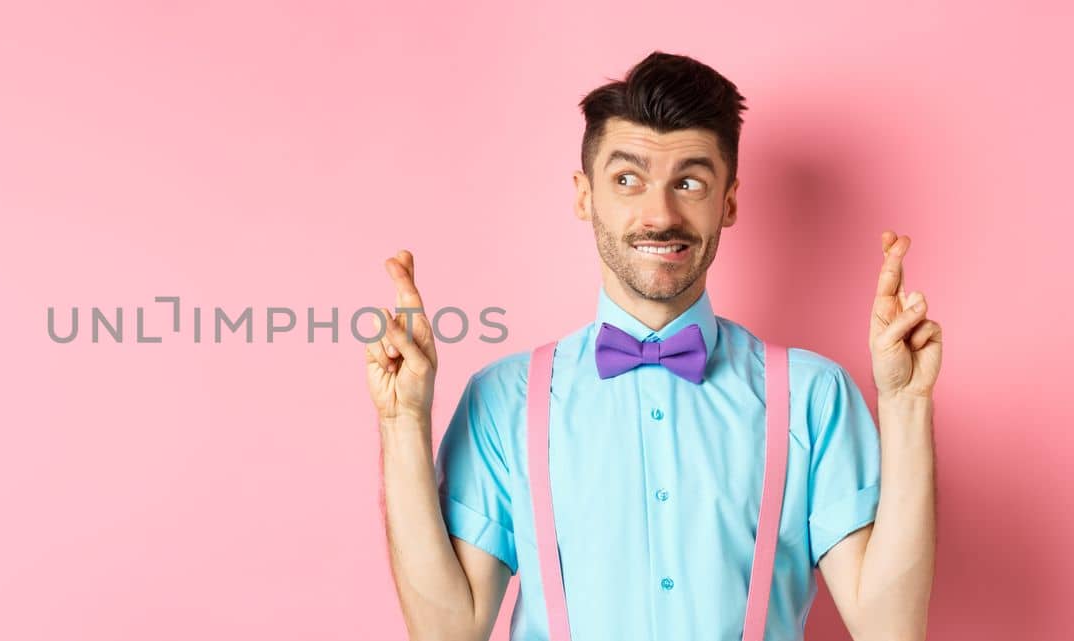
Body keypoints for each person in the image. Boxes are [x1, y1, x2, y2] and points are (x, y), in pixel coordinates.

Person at [367, 51, 939, 641]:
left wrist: (907, 403)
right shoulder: (503, 398)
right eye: (627, 180)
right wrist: (402, 421)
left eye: (689, 182)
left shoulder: (813, 395)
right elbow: (447, 632)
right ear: (585, 195)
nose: (659, 215)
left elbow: (888, 628)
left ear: (730, 201)